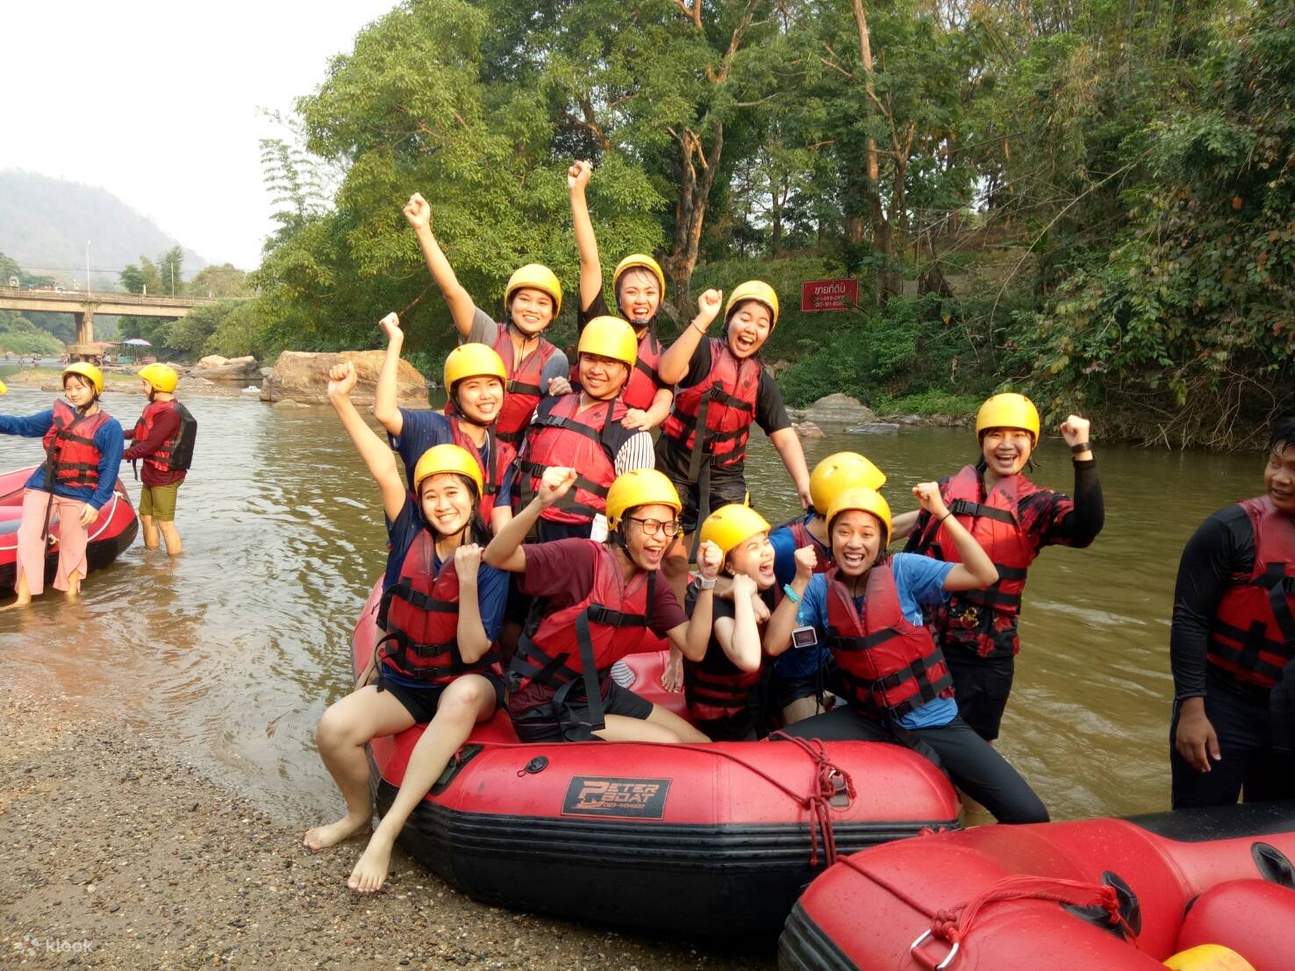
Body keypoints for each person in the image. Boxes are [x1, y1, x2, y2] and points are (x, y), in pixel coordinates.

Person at [305, 362, 508, 895]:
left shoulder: (489, 559)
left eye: (455, 494)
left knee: (464, 693)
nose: (443, 504)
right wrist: (341, 401)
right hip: (408, 681)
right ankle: (355, 816)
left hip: (465, 682)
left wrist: (466, 581)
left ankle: (387, 831)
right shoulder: (408, 532)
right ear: (421, 501)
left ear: (473, 497)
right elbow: (383, 470)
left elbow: (471, 650)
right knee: (332, 729)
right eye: (433, 495)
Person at [768, 486, 1049, 824]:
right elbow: (774, 644)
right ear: (831, 539)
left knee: (1029, 813)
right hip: (868, 719)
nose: (854, 543)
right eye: (843, 532)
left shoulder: (904, 570)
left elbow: (984, 575)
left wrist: (942, 513)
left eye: (866, 534)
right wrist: (798, 581)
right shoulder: (818, 588)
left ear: (881, 541)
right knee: (777, 749)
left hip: (933, 719)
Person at [894, 393, 1103, 742]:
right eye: (996, 435)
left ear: (1032, 443)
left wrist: (1082, 451)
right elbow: (910, 525)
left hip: (984, 652)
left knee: (974, 757)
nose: (1007, 445)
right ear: (981, 440)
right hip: (927, 640)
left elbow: (1087, 526)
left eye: (1018, 436)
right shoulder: (948, 489)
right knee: (915, 742)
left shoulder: (1036, 506)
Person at [484, 467, 712, 743]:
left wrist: (709, 581)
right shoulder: (580, 559)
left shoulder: (652, 584)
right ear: (620, 523)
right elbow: (497, 556)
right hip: (544, 706)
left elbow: (694, 648)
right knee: (671, 744)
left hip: (597, 692)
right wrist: (541, 502)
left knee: (699, 742)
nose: (662, 537)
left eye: (668, 527)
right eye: (650, 525)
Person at [1169, 416, 1295, 809]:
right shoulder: (1229, 530)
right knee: (1200, 826)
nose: (1281, 478)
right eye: (1276, 463)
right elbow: (1189, 618)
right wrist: (1192, 710)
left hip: (1287, 711)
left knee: (1277, 834)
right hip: (1221, 701)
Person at [655, 282, 811, 596]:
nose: (751, 328)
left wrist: (804, 485)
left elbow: (784, 438)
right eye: (745, 317)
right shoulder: (701, 350)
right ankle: (675, 633)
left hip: (726, 474)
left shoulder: (761, 382)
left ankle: (728, 604)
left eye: (761, 323)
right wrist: (703, 317)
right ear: (729, 321)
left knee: (743, 551)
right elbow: (669, 372)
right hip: (675, 463)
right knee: (674, 559)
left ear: (768, 333)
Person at [402, 192, 568, 444]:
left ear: (552, 313)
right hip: (461, 444)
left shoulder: (556, 360)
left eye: (542, 303)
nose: (533, 308)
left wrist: (564, 394)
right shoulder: (485, 333)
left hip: (508, 459)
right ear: (510, 304)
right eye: (524, 299)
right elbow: (452, 290)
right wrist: (423, 229)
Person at [501, 315, 655, 541]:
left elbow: (636, 509)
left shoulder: (631, 431)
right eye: (590, 359)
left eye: (609, 362)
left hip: (578, 542)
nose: (596, 369)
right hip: (521, 526)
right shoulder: (549, 404)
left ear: (627, 372)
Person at [769, 452, 888, 724]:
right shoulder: (785, 544)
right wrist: (732, 590)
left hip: (833, 660)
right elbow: (734, 561)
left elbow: (888, 530)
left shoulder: (850, 545)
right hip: (793, 672)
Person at [371, 311, 514, 528]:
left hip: (471, 554)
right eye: (473, 387)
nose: (486, 395)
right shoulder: (432, 429)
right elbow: (385, 412)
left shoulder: (502, 454)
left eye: (492, 385)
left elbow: (501, 519)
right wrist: (395, 341)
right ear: (456, 395)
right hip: (427, 553)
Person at [0, 363, 124, 607]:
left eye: (79, 387)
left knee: (74, 543)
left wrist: (97, 502)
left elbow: (110, 468)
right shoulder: (55, 416)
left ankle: (70, 597)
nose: (73, 393)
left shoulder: (110, 427)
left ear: (95, 388)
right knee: (29, 537)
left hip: (80, 492)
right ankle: (23, 599)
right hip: (43, 485)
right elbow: (22, 426)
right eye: (69, 389)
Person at [567, 160, 673, 429]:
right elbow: (589, 262)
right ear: (619, 299)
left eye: (649, 293)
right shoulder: (599, 325)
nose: (641, 300)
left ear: (659, 300)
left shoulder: (663, 353)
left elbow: (665, 394)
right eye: (632, 292)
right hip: (583, 430)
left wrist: (650, 417)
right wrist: (577, 195)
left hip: (624, 439)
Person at [682, 504, 779, 741]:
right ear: (730, 565)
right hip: (725, 720)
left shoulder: (763, 583)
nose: (766, 552)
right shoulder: (712, 602)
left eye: (766, 542)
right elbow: (748, 659)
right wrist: (744, 595)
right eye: (753, 547)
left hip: (756, 701)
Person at [123, 363, 194, 555]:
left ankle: (173, 568)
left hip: (166, 476)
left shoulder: (170, 413)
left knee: (165, 523)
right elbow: (139, 433)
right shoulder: (155, 407)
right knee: (146, 517)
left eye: (145, 384)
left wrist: (120, 455)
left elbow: (150, 445)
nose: (142, 388)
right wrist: (115, 435)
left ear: (157, 386)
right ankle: (151, 560)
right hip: (152, 472)